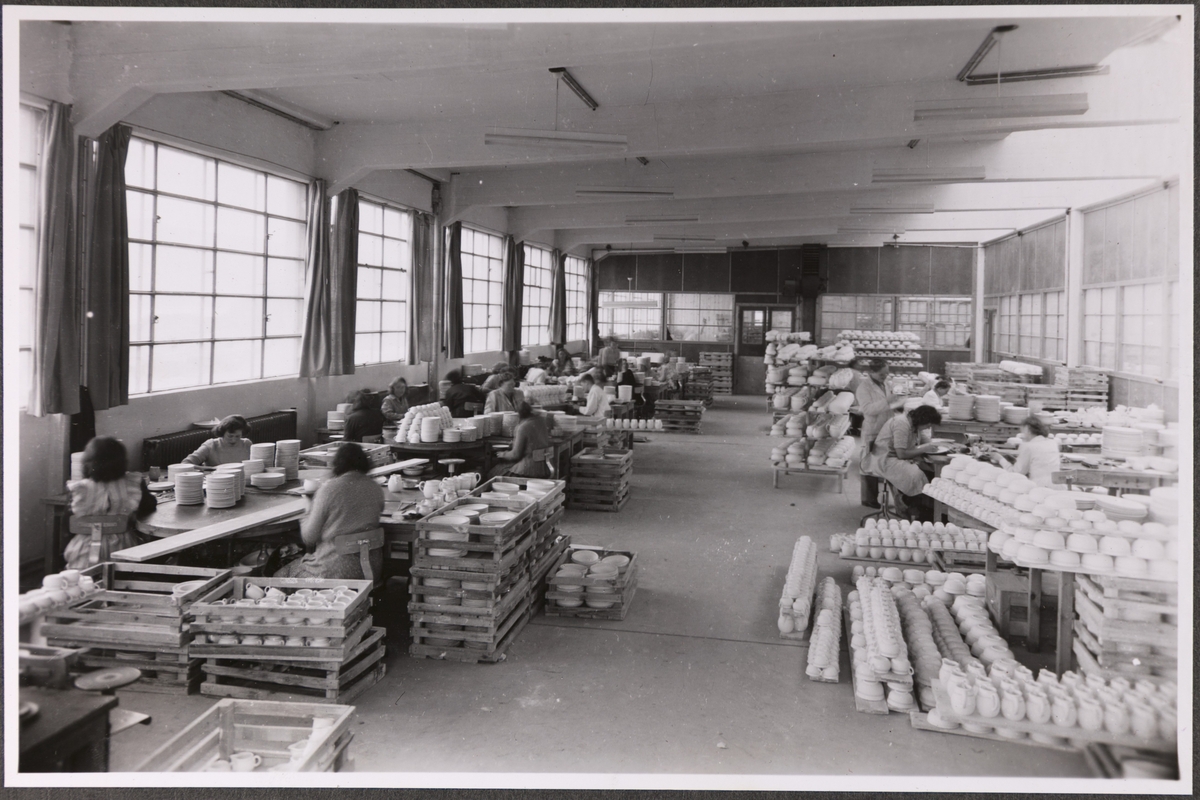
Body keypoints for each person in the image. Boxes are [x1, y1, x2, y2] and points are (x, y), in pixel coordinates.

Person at [274, 443, 384, 580]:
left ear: (338, 464)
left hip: (333, 571)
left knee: (280, 576)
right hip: (370, 570)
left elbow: (309, 537)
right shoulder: (375, 487)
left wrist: (308, 511)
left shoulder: (329, 489)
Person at [64, 437, 155, 569]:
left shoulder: (79, 489)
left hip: (84, 554)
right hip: (123, 551)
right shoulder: (133, 483)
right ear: (122, 462)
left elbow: (69, 525)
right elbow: (148, 506)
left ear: (87, 463)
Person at [872, 404, 944, 522]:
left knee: (930, 471)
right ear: (922, 420)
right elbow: (901, 454)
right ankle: (907, 504)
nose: (927, 428)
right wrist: (924, 449)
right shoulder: (901, 424)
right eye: (928, 425)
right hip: (886, 459)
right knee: (916, 474)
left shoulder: (913, 423)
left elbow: (922, 440)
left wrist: (934, 445)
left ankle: (920, 507)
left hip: (896, 457)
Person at [854, 359, 903, 508]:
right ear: (871, 372)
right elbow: (868, 409)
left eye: (887, 373)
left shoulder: (885, 384)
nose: (885, 376)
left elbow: (888, 405)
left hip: (886, 427)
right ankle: (868, 499)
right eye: (882, 374)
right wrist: (888, 401)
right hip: (873, 429)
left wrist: (898, 403)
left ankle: (890, 498)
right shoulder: (863, 388)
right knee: (869, 463)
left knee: (884, 462)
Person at [488, 402, 553, 479]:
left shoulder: (522, 427)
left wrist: (502, 454)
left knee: (492, 473)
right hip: (545, 468)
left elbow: (515, 455)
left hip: (529, 470)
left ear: (518, 414)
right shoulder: (541, 421)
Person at [991, 416, 1061, 487]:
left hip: (1038, 488)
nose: (1022, 435)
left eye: (1022, 431)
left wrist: (1000, 459)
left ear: (1027, 430)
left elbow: (1016, 473)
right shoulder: (1052, 443)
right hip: (1057, 485)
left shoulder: (1028, 446)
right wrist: (1011, 458)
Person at [183, 415, 253, 466]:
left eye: (238, 436)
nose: (233, 440)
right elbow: (186, 463)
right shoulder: (211, 445)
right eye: (230, 436)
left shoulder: (246, 444)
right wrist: (204, 470)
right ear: (222, 432)